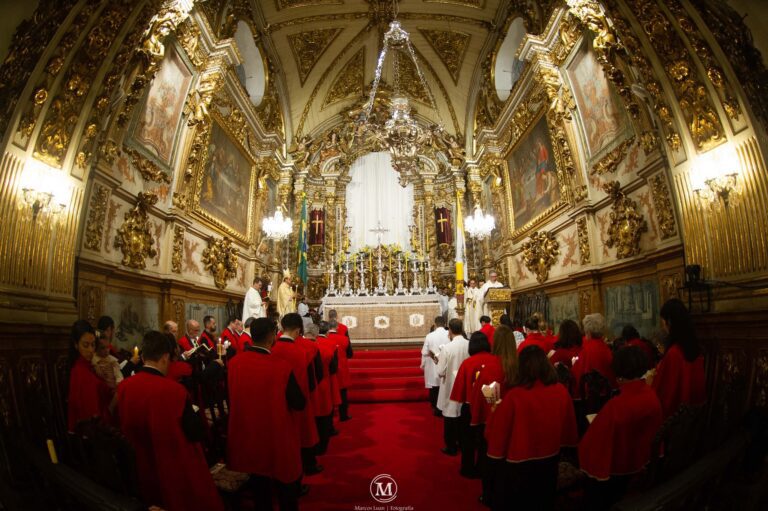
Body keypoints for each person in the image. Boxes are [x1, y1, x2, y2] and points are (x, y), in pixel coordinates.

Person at [117, 331, 224, 511]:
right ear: (166, 357)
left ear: (143, 356)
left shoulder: (125, 386)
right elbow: (194, 433)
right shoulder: (174, 391)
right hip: (172, 471)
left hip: (139, 469)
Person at [485, 346, 578, 511]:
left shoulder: (515, 396)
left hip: (519, 465)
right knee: (543, 499)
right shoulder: (560, 391)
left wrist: (494, 411)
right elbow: (569, 426)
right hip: (550, 459)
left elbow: (497, 435)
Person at [228, 318, 306, 510]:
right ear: (272, 336)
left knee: (258, 482)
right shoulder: (280, 366)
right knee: (285, 483)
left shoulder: (234, 363)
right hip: (275, 433)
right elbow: (298, 403)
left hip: (248, 432)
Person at [579, 346, 664, 510]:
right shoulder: (650, 394)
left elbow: (592, 444)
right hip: (642, 464)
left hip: (619, 475)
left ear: (619, 372)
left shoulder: (617, 406)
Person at [469, 325, 519, 506]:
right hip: (515, 420)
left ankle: (489, 494)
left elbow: (479, 395)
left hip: (491, 419)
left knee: (488, 457)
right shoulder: (519, 364)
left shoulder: (489, 366)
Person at [272, 312, 322, 475]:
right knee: (304, 434)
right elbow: (312, 376)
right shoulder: (303, 349)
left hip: (276, 402)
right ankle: (308, 466)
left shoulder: (271, 349)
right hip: (301, 397)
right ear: (299, 329)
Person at [651, 299, 706, 418]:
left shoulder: (674, 353)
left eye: (663, 322)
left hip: (674, 421)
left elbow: (663, 395)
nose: (663, 326)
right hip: (695, 417)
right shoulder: (694, 347)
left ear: (669, 321)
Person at [451, 332, 495, 478]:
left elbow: (459, 391)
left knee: (467, 440)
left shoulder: (467, 363)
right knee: (485, 440)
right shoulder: (496, 361)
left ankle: (467, 468)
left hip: (470, 406)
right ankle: (483, 468)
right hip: (491, 407)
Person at [67, 320, 114, 431]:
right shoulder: (80, 373)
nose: (91, 350)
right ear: (76, 345)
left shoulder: (88, 367)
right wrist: (116, 399)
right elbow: (93, 419)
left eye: (93, 345)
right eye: (85, 345)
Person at [436, 318, 470, 456]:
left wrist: (438, 360)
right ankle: (463, 443)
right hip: (466, 385)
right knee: (463, 415)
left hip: (450, 385)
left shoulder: (447, 348)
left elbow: (440, 372)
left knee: (450, 416)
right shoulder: (469, 344)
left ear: (449, 330)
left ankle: (451, 446)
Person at [304, 323, 336, 455]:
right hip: (322, 384)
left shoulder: (300, 346)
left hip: (304, 387)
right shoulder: (327, 347)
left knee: (308, 419)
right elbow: (333, 368)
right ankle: (322, 446)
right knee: (323, 416)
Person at [572, 313, 616, 398]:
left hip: (589, 399)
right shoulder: (606, 349)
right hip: (608, 396)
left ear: (587, 331)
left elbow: (576, 377)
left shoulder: (585, 350)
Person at [422, 316, 450, 414]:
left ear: (435, 324)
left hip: (434, 363)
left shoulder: (430, 335)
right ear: (445, 323)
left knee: (435, 386)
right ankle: (446, 406)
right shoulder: (449, 334)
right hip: (447, 363)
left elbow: (425, 352)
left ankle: (435, 407)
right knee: (445, 385)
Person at [328, 320, 353, 421]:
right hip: (341, 368)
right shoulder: (344, 339)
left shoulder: (323, 339)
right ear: (337, 327)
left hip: (328, 369)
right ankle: (343, 415)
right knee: (342, 392)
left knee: (329, 392)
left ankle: (331, 414)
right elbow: (350, 354)